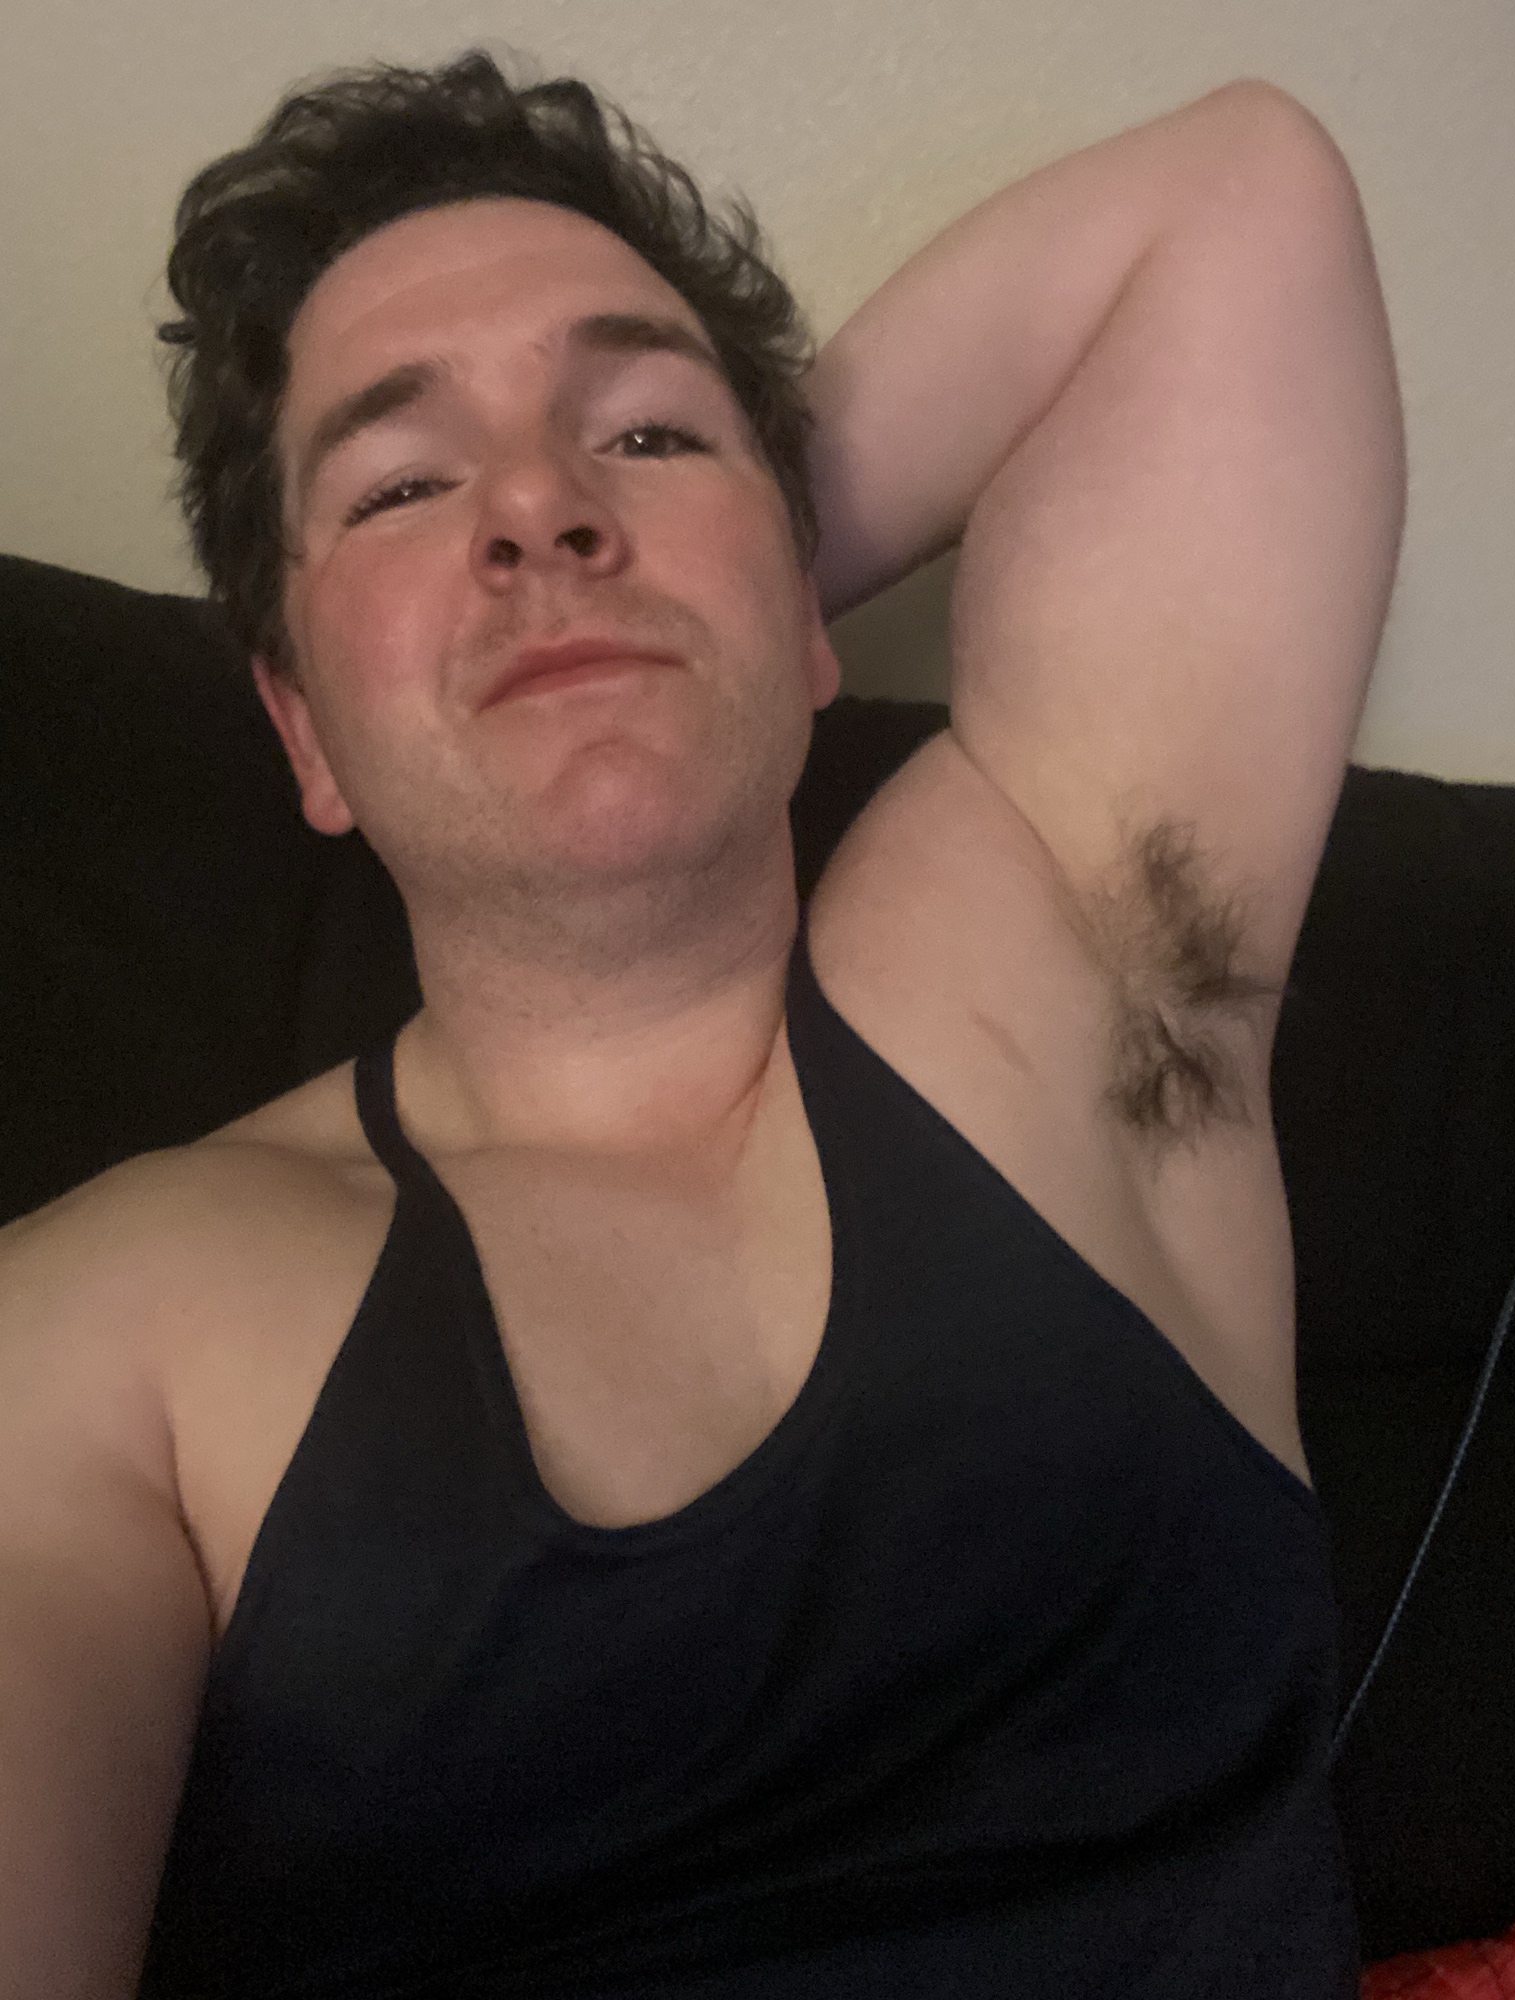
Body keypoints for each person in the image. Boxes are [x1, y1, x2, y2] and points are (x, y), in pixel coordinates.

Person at [0, 49, 1403, 1999]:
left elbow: (1238, 201)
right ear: (302, 727)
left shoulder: (1051, 978)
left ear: (813, 592)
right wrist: (654, 552)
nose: (538, 506)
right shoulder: (103, 1328)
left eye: (646, 432)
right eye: (402, 485)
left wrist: (700, 597)